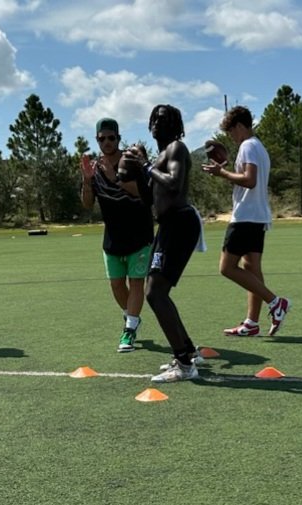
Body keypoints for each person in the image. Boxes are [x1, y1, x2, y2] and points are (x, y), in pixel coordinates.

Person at [127, 104, 202, 382]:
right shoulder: (160, 155)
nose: (159, 123)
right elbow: (149, 199)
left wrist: (145, 166)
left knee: (155, 293)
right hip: (168, 226)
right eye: (155, 118)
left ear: (176, 125)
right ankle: (188, 352)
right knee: (155, 291)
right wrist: (136, 170)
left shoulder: (176, 149)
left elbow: (173, 182)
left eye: (165, 119)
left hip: (180, 224)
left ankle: (184, 363)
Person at [201, 105, 291, 337]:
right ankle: (251, 323)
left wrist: (222, 174)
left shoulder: (248, 146)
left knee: (226, 268)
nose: (231, 137)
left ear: (240, 126)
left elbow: (249, 180)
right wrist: (228, 173)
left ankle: (275, 302)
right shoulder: (259, 147)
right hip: (258, 216)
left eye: (231, 131)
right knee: (252, 270)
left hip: (245, 217)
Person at [80, 118, 154, 352]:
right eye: (102, 138)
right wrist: (87, 180)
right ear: (97, 140)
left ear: (118, 138)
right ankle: (132, 316)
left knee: (136, 283)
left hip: (139, 235)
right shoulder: (93, 167)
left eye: (111, 137)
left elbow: (146, 195)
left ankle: (129, 330)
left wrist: (117, 177)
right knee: (116, 285)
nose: (107, 142)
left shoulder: (131, 162)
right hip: (113, 238)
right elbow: (87, 204)